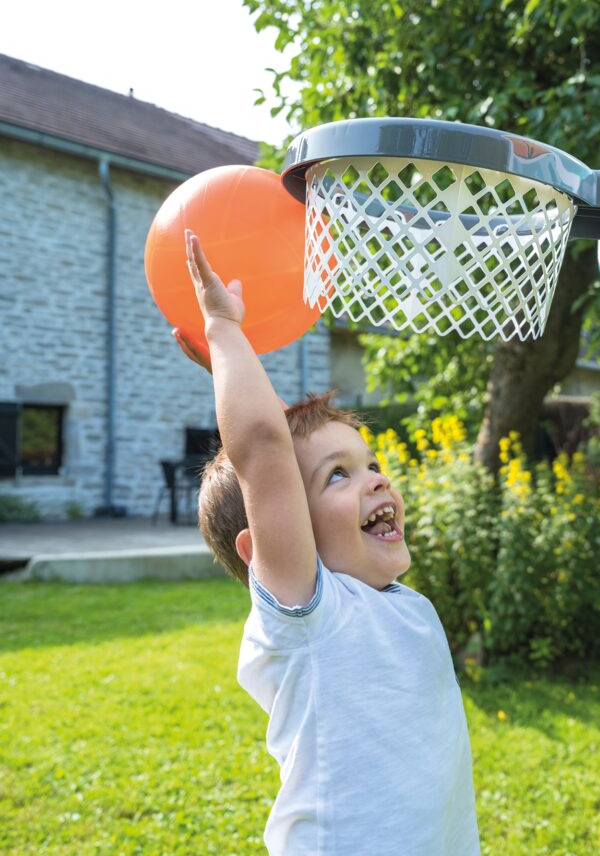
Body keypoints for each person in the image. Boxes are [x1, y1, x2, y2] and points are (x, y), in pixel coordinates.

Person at [180, 229, 481, 856]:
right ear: (265, 541)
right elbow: (262, 448)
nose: (376, 479)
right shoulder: (313, 617)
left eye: (369, 464)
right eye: (336, 475)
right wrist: (224, 331)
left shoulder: (401, 606)